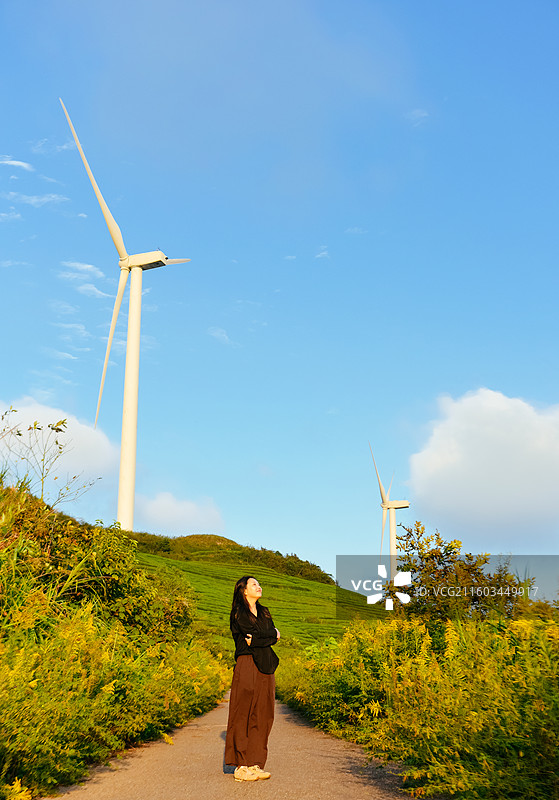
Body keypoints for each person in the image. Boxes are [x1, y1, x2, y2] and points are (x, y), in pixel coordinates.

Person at [224, 575, 280, 782]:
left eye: (259, 584)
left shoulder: (264, 611)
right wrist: (271, 636)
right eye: (254, 584)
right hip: (247, 663)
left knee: (264, 714)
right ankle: (241, 766)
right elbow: (252, 637)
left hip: (266, 665)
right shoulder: (239, 612)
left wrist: (264, 637)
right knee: (243, 713)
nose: (259, 587)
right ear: (243, 590)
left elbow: (263, 637)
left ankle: (255, 763)